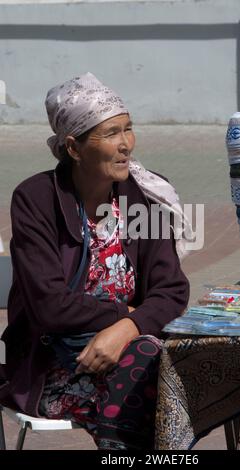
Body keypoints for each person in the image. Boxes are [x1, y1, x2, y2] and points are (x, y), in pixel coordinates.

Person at [0, 72, 190, 450]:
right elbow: (50, 306)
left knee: (166, 373)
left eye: (129, 129)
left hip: (134, 348)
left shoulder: (144, 198)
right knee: (153, 388)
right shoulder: (36, 200)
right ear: (74, 147)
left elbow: (171, 291)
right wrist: (128, 316)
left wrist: (127, 328)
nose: (126, 146)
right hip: (53, 361)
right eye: (111, 134)